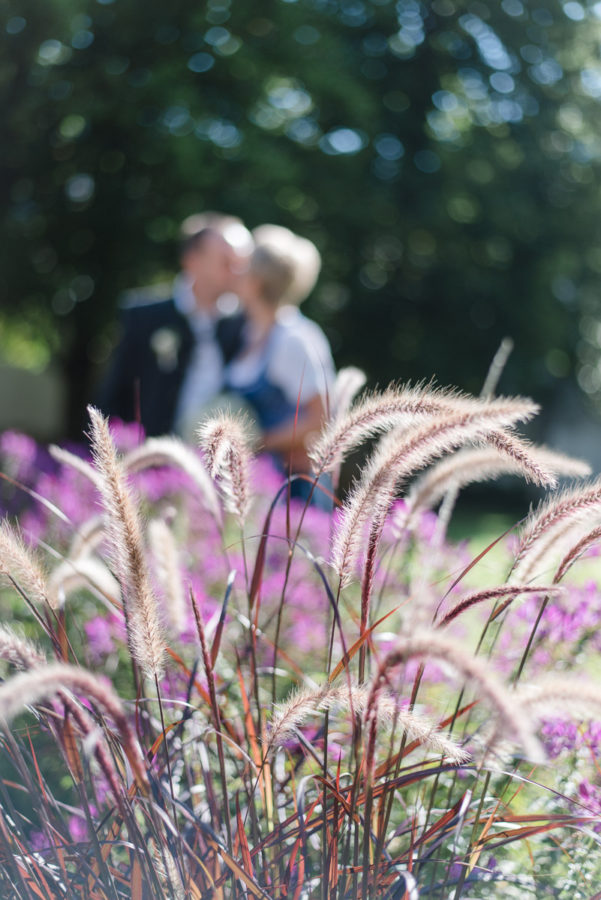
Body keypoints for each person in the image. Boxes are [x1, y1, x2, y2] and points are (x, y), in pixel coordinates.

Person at [97, 212, 251, 437]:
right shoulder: (143, 316)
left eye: (242, 264)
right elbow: (114, 395)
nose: (237, 272)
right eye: (227, 262)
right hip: (148, 458)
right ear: (192, 260)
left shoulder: (245, 325)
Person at [226, 225, 336, 507]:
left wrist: (257, 442)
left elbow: (319, 419)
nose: (235, 273)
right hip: (254, 487)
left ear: (257, 281)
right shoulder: (246, 332)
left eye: (243, 267)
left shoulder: (295, 339)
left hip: (290, 490)